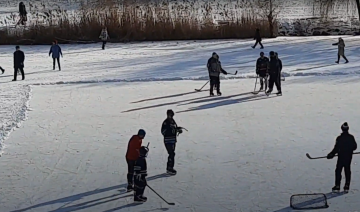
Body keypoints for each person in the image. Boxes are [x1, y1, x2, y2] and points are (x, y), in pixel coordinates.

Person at [327, 122, 357, 193]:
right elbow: (354, 147)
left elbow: (336, 148)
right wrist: (349, 150)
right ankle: (347, 185)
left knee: (338, 170)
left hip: (341, 157)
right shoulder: (351, 137)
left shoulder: (340, 138)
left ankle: (337, 186)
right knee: (347, 170)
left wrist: (331, 154)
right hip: (348, 157)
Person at [161, 109, 183, 175]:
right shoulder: (165, 122)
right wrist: (169, 129)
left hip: (173, 140)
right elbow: (163, 132)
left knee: (172, 154)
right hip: (168, 140)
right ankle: (169, 168)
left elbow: (175, 128)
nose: (171, 116)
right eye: (170, 115)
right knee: (171, 154)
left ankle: (170, 167)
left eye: (172, 115)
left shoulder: (173, 121)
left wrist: (178, 130)